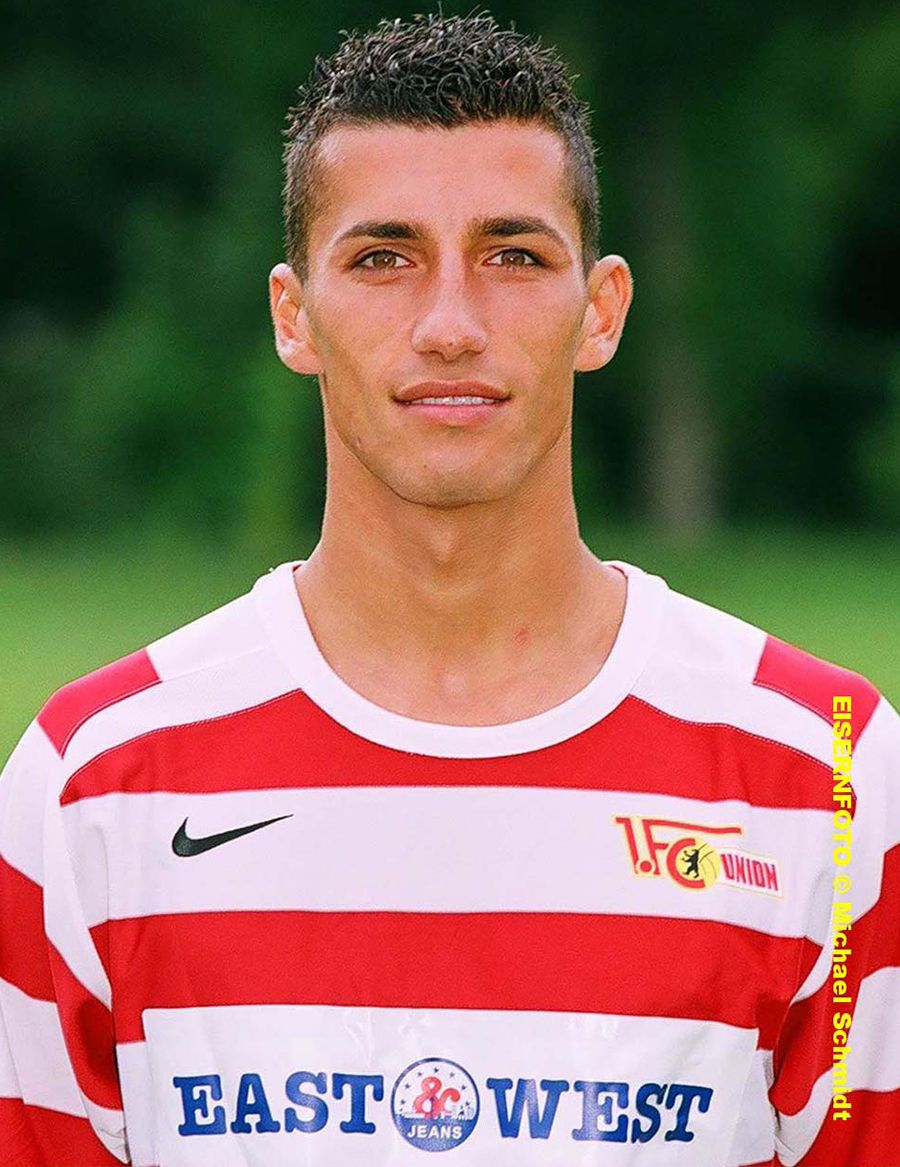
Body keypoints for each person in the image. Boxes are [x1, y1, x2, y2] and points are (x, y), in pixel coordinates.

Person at [0, 12, 897, 1167]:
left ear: (602, 310)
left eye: (513, 256)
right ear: (293, 315)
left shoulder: (829, 776)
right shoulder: (91, 787)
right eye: (383, 259)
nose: (450, 326)